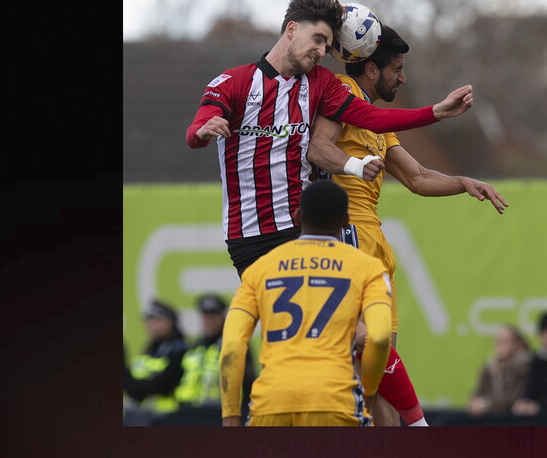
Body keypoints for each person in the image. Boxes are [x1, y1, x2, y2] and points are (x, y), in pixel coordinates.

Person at [185, 0, 475, 277]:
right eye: (319, 39)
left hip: (302, 229)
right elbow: (195, 131)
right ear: (292, 29)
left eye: (328, 44)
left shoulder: (321, 82)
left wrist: (435, 112)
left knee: (318, 319)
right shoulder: (234, 82)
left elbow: (372, 118)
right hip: (247, 234)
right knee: (279, 322)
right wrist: (203, 130)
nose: (323, 51)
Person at [306, 24, 509, 426]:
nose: (404, 77)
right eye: (397, 68)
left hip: (376, 246)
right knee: (359, 372)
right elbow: (318, 146)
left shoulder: (375, 120)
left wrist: (463, 182)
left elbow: (416, 178)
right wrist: (354, 165)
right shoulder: (344, 93)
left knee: (381, 377)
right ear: (370, 70)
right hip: (350, 242)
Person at [219, 180, 393, 426]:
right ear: (345, 221)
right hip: (335, 402)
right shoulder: (369, 268)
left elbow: (233, 344)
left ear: (298, 217)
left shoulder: (260, 269)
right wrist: (368, 394)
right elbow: (379, 336)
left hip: (270, 404)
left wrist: (230, 415)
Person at [155, 294, 256, 426]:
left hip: (220, 414)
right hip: (190, 413)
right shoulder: (195, 347)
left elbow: (247, 381)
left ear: (223, 318)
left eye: (213, 317)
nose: (208, 321)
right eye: (205, 317)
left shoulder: (234, 345)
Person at [123, 299, 188, 426]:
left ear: (168, 322)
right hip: (140, 416)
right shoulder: (150, 348)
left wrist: (133, 385)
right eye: (147, 321)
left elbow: (162, 384)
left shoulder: (180, 350)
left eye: (154, 320)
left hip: (168, 419)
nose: (148, 325)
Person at [467, 323, 532, 417]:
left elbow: (515, 397)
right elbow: (479, 391)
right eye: (497, 341)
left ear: (517, 344)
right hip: (490, 418)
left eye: (504, 341)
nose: (499, 345)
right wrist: (474, 401)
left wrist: (487, 404)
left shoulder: (525, 365)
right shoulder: (489, 366)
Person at [512, 311, 547, 417]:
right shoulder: (537, 360)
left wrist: (539, 406)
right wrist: (523, 402)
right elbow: (530, 387)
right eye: (544, 333)